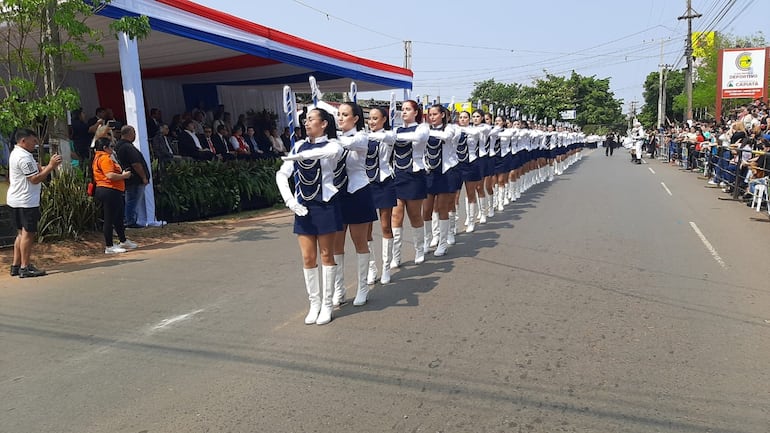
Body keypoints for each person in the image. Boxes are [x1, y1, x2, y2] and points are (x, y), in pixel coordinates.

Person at [275, 107, 344, 325]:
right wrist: (290, 201)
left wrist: (300, 156)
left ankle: (326, 305)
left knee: (326, 255)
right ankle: (313, 304)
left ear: (323, 123)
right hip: (303, 206)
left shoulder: (334, 145)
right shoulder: (298, 145)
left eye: (311, 119)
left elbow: (327, 153)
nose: (306, 123)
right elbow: (281, 174)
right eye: (305, 120)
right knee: (307, 258)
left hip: (324, 205)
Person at [7, 129, 62, 278]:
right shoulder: (23, 157)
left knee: (21, 234)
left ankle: (16, 265)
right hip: (25, 201)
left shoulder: (17, 153)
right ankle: (25, 267)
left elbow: (36, 171)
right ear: (23, 141)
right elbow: (35, 179)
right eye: (33, 141)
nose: (35, 144)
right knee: (28, 234)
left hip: (16, 199)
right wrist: (50, 166)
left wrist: (47, 166)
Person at [390, 99, 429, 268]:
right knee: (396, 216)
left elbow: (418, 137)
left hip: (414, 175)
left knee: (414, 215)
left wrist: (392, 136)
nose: (404, 112)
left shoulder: (422, 127)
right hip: (398, 175)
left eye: (407, 109)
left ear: (415, 112)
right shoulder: (396, 129)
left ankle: (419, 249)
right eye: (402, 109)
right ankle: (395, 256)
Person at [365, 106, 396, 284]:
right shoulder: (363, 137)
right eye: (370, 118)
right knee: (366, 229)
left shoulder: (389, 136)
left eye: (376, 118)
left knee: (385, 226)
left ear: (384, 119)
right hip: (366, 184)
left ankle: (386, 267)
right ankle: (371, 267)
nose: (371, 122)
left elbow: (387, 137)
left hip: (384, 182)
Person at [92, 137, 138, 254]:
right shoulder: (105, 159)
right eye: (111, 147)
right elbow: (110, 175)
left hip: (111, 190)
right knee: (109, 219)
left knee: (118, 217)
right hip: (109, 190)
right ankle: (109, 246)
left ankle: (123, 240)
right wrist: (124, 176)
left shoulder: (99, 157)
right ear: (105, 148)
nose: (113, 149)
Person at [115, 125, 150, 228]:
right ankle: (130, 221)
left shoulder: (118, 146)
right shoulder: (128, 147)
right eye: (134, 132)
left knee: (130, 199)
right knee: (133, 200)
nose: (135, 135)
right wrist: (143, 177)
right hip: (134, 179)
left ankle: (130, 219)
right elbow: (136, 164)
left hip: (127, 178)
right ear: (129, 133)